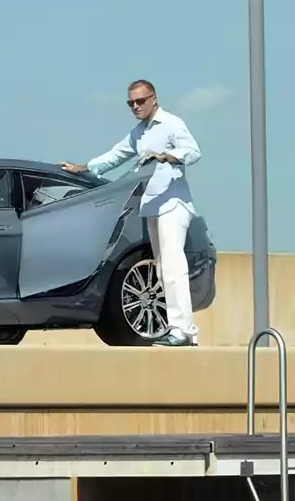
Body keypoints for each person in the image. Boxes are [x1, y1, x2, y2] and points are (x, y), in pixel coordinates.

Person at [60, 79, 202, 347]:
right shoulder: (139, 133)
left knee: (173, 266)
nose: (136, 106)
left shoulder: (171, 123)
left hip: (173, 204)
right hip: (153, 207)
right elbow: (116, 155)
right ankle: (178, 330)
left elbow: (193, 152)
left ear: (153, 99)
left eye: (140, 101)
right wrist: (83, 168)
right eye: (131, 103)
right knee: (162, 270)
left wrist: (168, 156)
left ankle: (184, 331)